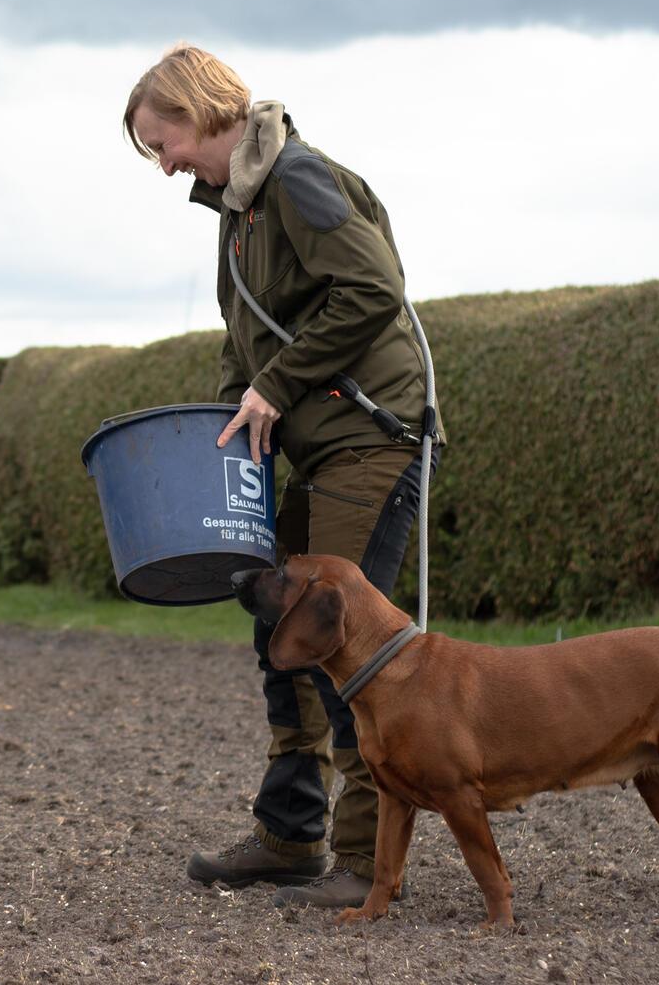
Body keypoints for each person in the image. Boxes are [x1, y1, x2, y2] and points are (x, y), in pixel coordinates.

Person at [123, 44, 443, 909]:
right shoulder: (241, 210)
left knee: (340, 636)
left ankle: (367, 860)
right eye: (153, 151)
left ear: (202, 110)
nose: (166, 164)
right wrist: (229, 422)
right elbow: (246, 342)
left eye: (165, 142)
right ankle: (288, 836)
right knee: (281, 629)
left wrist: (276, 386)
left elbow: (372, 291)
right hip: (316, 445)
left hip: (371, 439)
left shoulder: (297, 180)